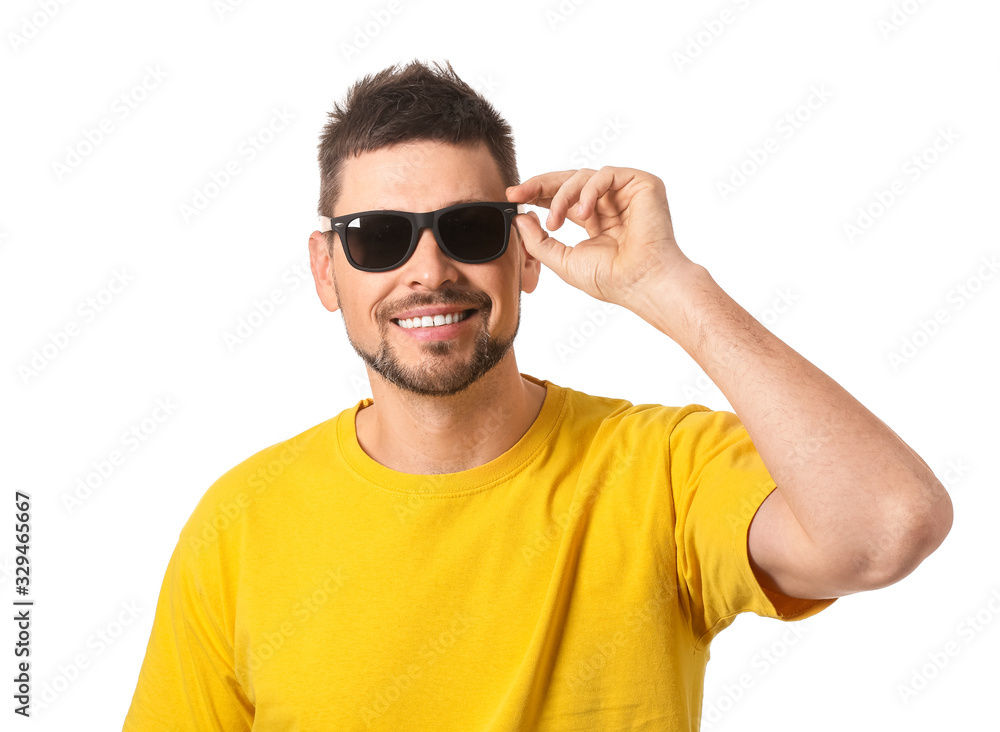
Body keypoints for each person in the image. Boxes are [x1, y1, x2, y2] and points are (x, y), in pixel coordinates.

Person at [123, 60, 953, 731]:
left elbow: (886, 529)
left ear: (525, 254)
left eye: (470, 230)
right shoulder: (239, 522)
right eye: (378, 238)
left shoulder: (658, 470)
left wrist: (670, 287)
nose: (428, 272)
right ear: (323, 269)